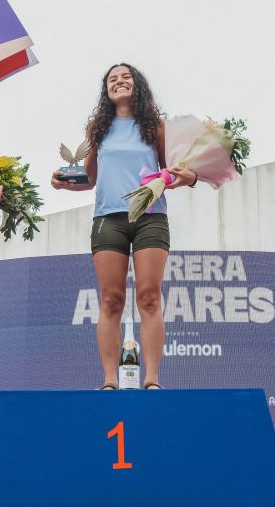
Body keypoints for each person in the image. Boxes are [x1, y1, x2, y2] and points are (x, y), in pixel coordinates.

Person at [51, 63, 197, 390]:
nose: (119, 82)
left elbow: (173, 171)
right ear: (106, 90)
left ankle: (152, 379)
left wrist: (189, 177)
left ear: (137, 84)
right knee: (111, 300)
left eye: (126, 77)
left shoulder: (155, 127)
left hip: (150, 216)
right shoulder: (97, 130)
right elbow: (89, 180)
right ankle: (108, 380)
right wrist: (64, 185)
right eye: (112, 79)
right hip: (108, 219)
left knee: (148, 297)